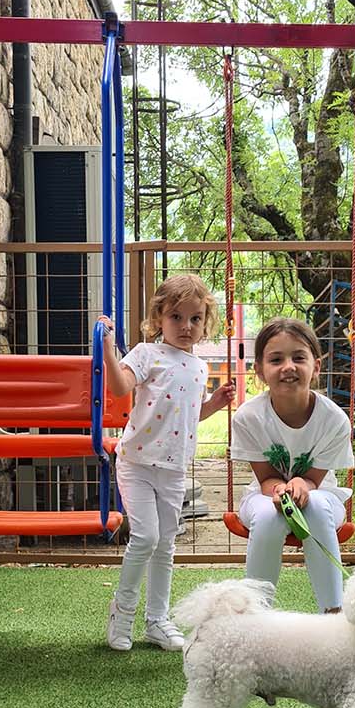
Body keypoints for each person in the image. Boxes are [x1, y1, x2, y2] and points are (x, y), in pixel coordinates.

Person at [100, 272, 233, 652]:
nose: (186, 326)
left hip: (174, 469)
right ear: (159, 317)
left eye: (195, 318)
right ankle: (122, 613)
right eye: (176, 317)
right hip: (137, 463)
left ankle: (157, 621)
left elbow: (189, 414)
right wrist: (107, 348)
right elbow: (120, 387)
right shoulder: (147, 353)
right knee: (146, 537)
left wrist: (214, 405)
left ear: (205, 323)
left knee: (166, 544)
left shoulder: (199, 367)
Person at [229, 317, 354, 613]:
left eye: (299, 358)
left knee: (316, 506)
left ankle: (333, 613)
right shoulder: (248, 417)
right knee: (268, 517)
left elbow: (315, 481)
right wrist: (281, 489)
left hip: (322, 495)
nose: (288, 367)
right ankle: (256, 616)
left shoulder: (334, 420)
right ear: (260, 370)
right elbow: (266, 479)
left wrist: (303, 484)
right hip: (264, 495)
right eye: (276, 360)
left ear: (316, 366)